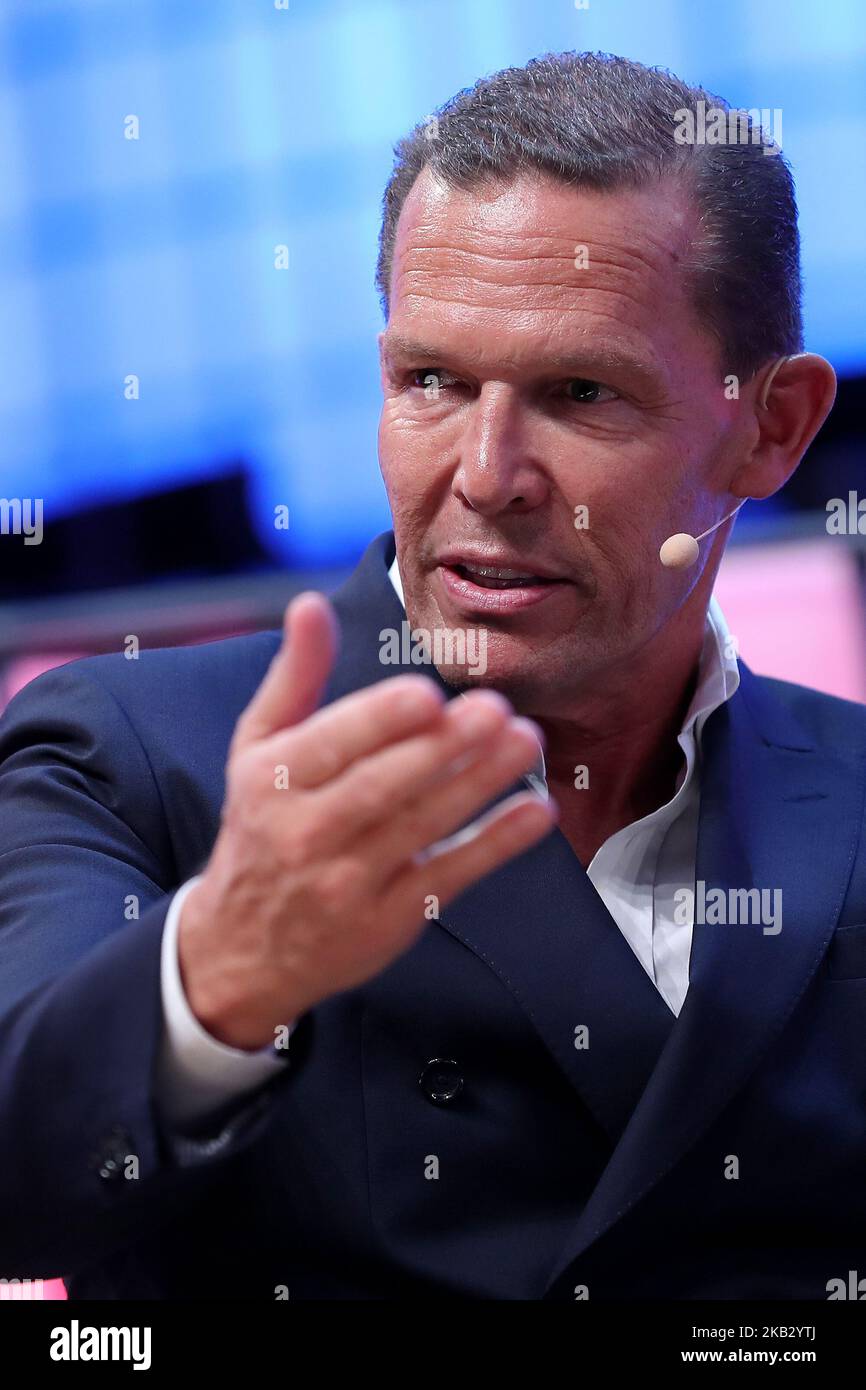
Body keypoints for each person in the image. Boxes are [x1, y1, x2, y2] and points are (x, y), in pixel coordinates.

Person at [0, 52, 860, 1302]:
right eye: (432, 383)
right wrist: (217, 974)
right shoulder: (128, 753)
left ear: (769, 428)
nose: (486, 474)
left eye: (579, 393)